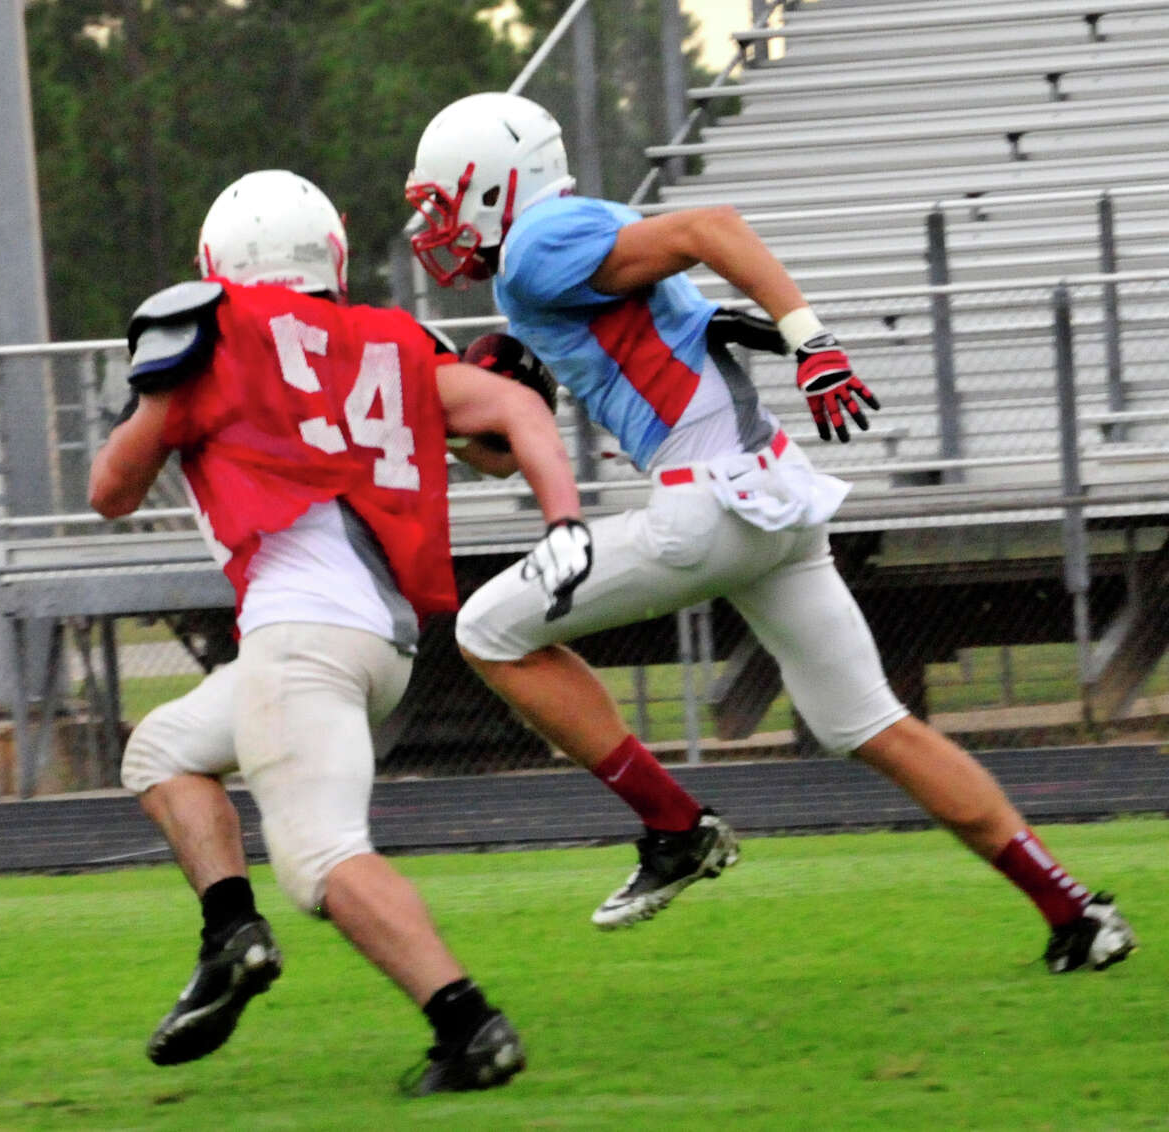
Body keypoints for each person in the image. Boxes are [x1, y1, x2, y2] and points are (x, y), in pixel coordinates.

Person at [403, 91, 1136, 971]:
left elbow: (714, 224)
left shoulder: (533, 247)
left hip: (706, 501)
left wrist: (811, 339)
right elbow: (506, 451)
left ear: (494, 184)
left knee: (488, 630)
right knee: (871, 724)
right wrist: (446, 399)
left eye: (443, 203)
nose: (437, 228)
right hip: (769, 495)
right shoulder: (568, 246)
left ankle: (676, 826)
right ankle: (1075, 913)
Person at [88, 169, 592, 1094]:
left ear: (218, 262)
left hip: (303, 633)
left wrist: (159, 406)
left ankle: (468, 1027)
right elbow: (514, 414)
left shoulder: (214, 334)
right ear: (332, 253)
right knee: (161, 749)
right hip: (379, 639)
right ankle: (229, 935)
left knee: (320, 855)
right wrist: (562, 519)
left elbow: (110, 492)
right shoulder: (392, 340)